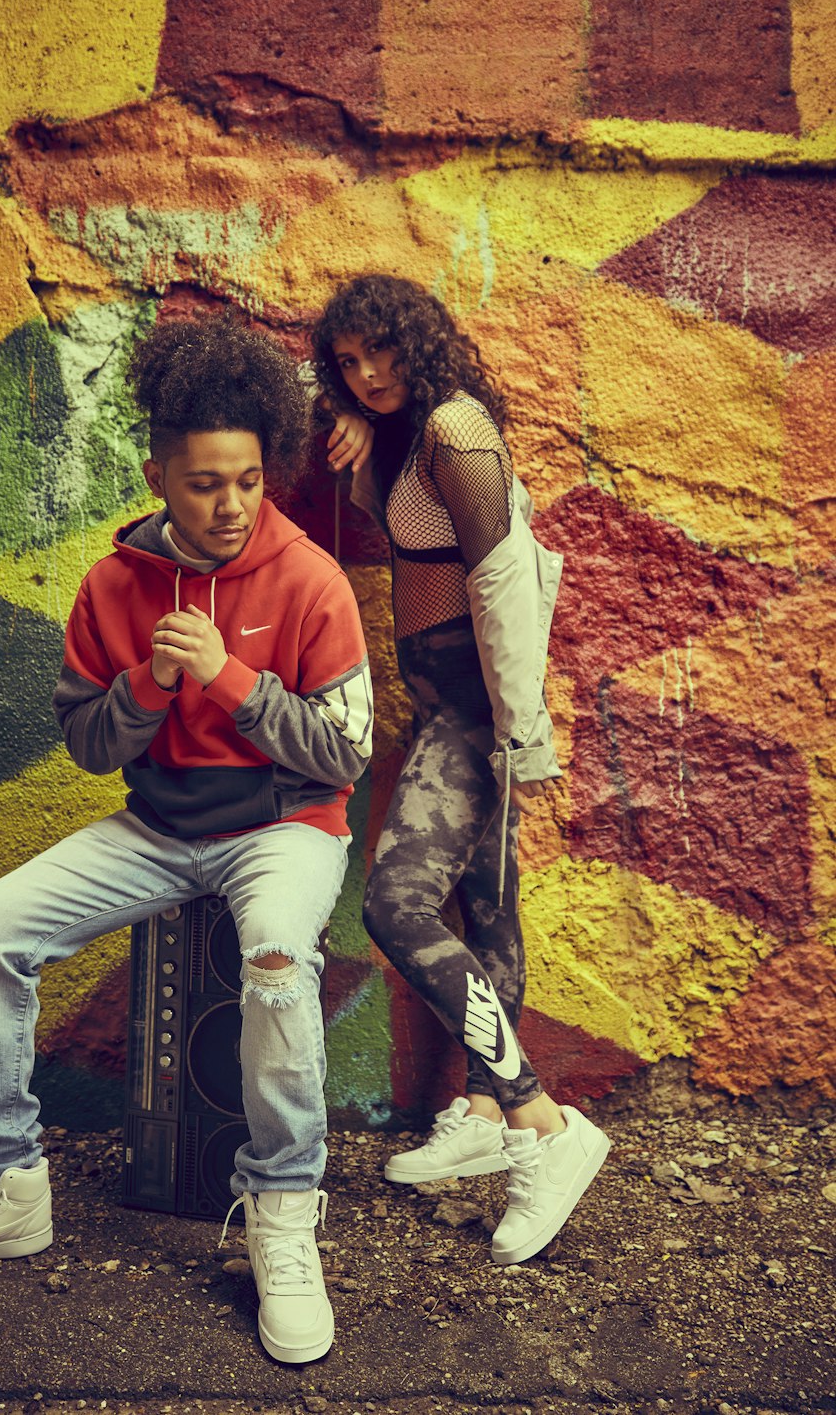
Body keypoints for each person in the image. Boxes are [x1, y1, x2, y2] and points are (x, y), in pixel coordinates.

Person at [0, 312, 374, 1366]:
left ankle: (282, 1215)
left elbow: (341, 756)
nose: (230, 505)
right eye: (202, 483)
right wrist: (150, 681)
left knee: (277, 960)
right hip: (157, 827)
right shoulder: (111, 586)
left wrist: (230, 681)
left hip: (283, 829)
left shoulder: (310, 579)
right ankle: (2, 1187)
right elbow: (93, 744)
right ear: (157, 475)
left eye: (245, 479)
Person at [311, 274, 609, 1266]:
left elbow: (501, 582)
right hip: (451, 699)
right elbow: (412, 545)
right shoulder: (408, 433)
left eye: (381, 352)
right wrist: (358, 442)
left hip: (478, 706)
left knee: (395, 903)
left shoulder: (456, 426)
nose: (367, 372)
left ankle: (541, 1125)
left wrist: (517, 733)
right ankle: (483, 1106)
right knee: (485, 903)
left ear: (419, 341)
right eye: (348, 362)